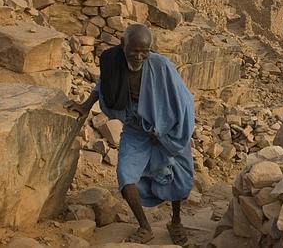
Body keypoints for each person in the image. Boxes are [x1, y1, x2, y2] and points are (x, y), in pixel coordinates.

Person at [66, 24, 194, 245]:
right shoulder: (113, 62)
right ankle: (145, 227)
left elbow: (183, 100)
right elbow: (101, 86)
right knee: (126, 175)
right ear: (124, 45)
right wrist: (85, 106)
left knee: (179, 177)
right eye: (134, 50)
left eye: (144, 51)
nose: (139, 56)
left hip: (164, 126)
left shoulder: (161, 65)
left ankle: (175, 221)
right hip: (136, 129)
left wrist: (168, 133)